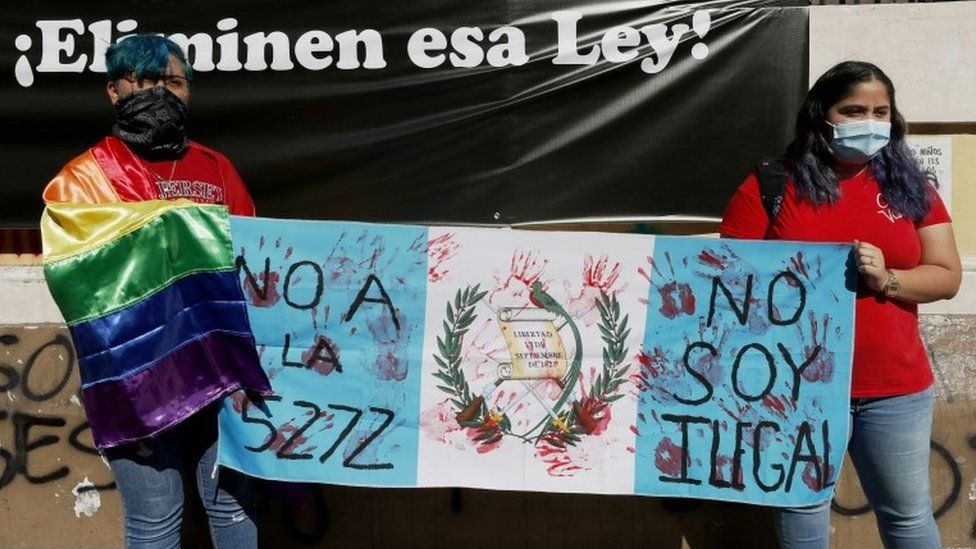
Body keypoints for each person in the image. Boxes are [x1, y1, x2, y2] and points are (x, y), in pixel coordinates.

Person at [719, 60, 961, 548]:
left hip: (894, 388)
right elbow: (724, 280)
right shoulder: (769, 186)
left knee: (909, 516)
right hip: (797, 387)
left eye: (880, 111)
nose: (869, 122)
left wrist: (887, 279)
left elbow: (947, 275)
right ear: (820, 116)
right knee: (802, 512)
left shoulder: (912, 188)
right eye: (852, 110)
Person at [42, 34, 261, 548]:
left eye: (174, 82)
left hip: (222, 377)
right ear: (114, 93)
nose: (160, 92)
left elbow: (254, 264)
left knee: (232, 506)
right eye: (143, 81)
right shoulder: (82, 182)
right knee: (156, 517)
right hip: (139, 381)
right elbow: (80, 284)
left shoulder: (216, 169)